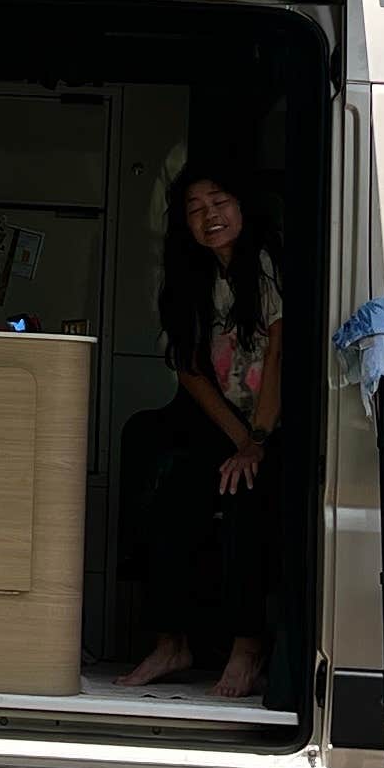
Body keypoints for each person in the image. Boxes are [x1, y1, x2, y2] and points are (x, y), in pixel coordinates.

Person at [122, 166, 286, 702]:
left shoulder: (267, 264)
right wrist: (237, 437)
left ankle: (247, 646)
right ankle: (171, 641)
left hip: (275, 424)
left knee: (245, 499)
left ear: (242, 205)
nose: (210, 216)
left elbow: (280, 356)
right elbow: (190, 370)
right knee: (164, 488)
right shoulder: (186, 278)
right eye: (195, 209)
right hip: (229, 426)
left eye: (219, 201)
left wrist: (257, 439)